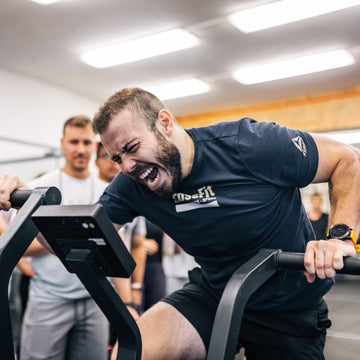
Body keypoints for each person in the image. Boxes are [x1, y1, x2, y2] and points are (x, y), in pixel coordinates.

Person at [1, 87, 360, 360]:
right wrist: (27, 204)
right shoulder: (132, 183)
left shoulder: (250, 144)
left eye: (132, 146)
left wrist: (340, 237)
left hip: (289, 306)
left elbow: (347, 159)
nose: (126, 166)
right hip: (216, 292)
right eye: (116, 157)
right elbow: (76, 241)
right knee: (131, 350)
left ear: (165, 123)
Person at [19, 115, 110, 360]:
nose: (80, 149)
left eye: (86, 142)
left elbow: (116, 244)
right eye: (73, 142)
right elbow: (14, 241)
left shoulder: (106, 192)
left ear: (95, 145)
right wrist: (69, 236)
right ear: (62, 143)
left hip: (96, 299)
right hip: (49, 299)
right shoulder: (39, 188)